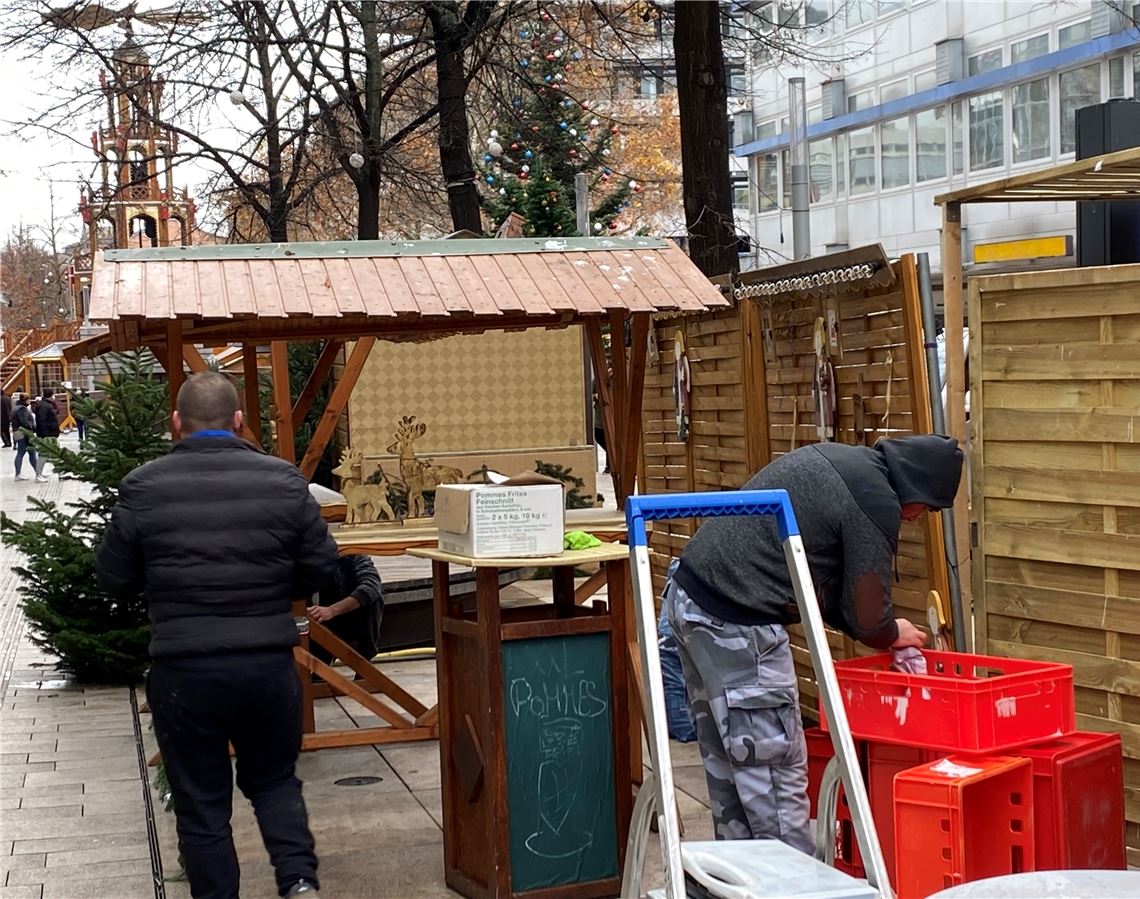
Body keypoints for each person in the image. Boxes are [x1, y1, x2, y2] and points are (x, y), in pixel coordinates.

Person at [96, 371, 338, 899]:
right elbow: (322, 567)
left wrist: (162, 585)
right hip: (268, 664)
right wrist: (274, 587)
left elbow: (113, 576)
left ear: (176, 423)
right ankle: (299, 884)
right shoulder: (283, 481)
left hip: (184, 670)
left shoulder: (144, 486)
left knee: (201, 801)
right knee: (275, 782)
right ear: (238, 421)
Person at [664, 434, 963, 855]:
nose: (919, 518)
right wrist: (892, 633)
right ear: (917, 486)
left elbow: (822, 590)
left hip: (691, 601)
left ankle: (739, 882)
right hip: (738, 620)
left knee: (733, 780)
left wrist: (881, 627)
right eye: (928, 507)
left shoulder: (845, 463)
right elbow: (866, 612)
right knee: (775, 785)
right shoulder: (875, 499)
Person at [307, 554, 384, 665]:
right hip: (312, 624)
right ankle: (319, 663)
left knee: (373, 598)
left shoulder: (354, 557)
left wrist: (332, 610)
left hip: (347, 622)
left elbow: (371, 586)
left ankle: (363, 661)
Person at [33, 388, 60, 481]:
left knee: (55, 452)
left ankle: (59, 472)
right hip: (47, 434)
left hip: (51, 433)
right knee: (43, 454)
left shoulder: (47, 405)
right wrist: (45, 434)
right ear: (51, 395)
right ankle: (38, 474)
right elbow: (42, 421)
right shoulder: (44, 406)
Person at [11, 394, 38, 480]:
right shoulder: (22, 409)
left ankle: (38, 472)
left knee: (30, 453)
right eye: (29, 399)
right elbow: (24, 422)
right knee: (22, 452)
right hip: (23, 433)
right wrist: (32, 426)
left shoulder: (16, 407)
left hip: (18, 432)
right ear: (26, 400)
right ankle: (18, 474)